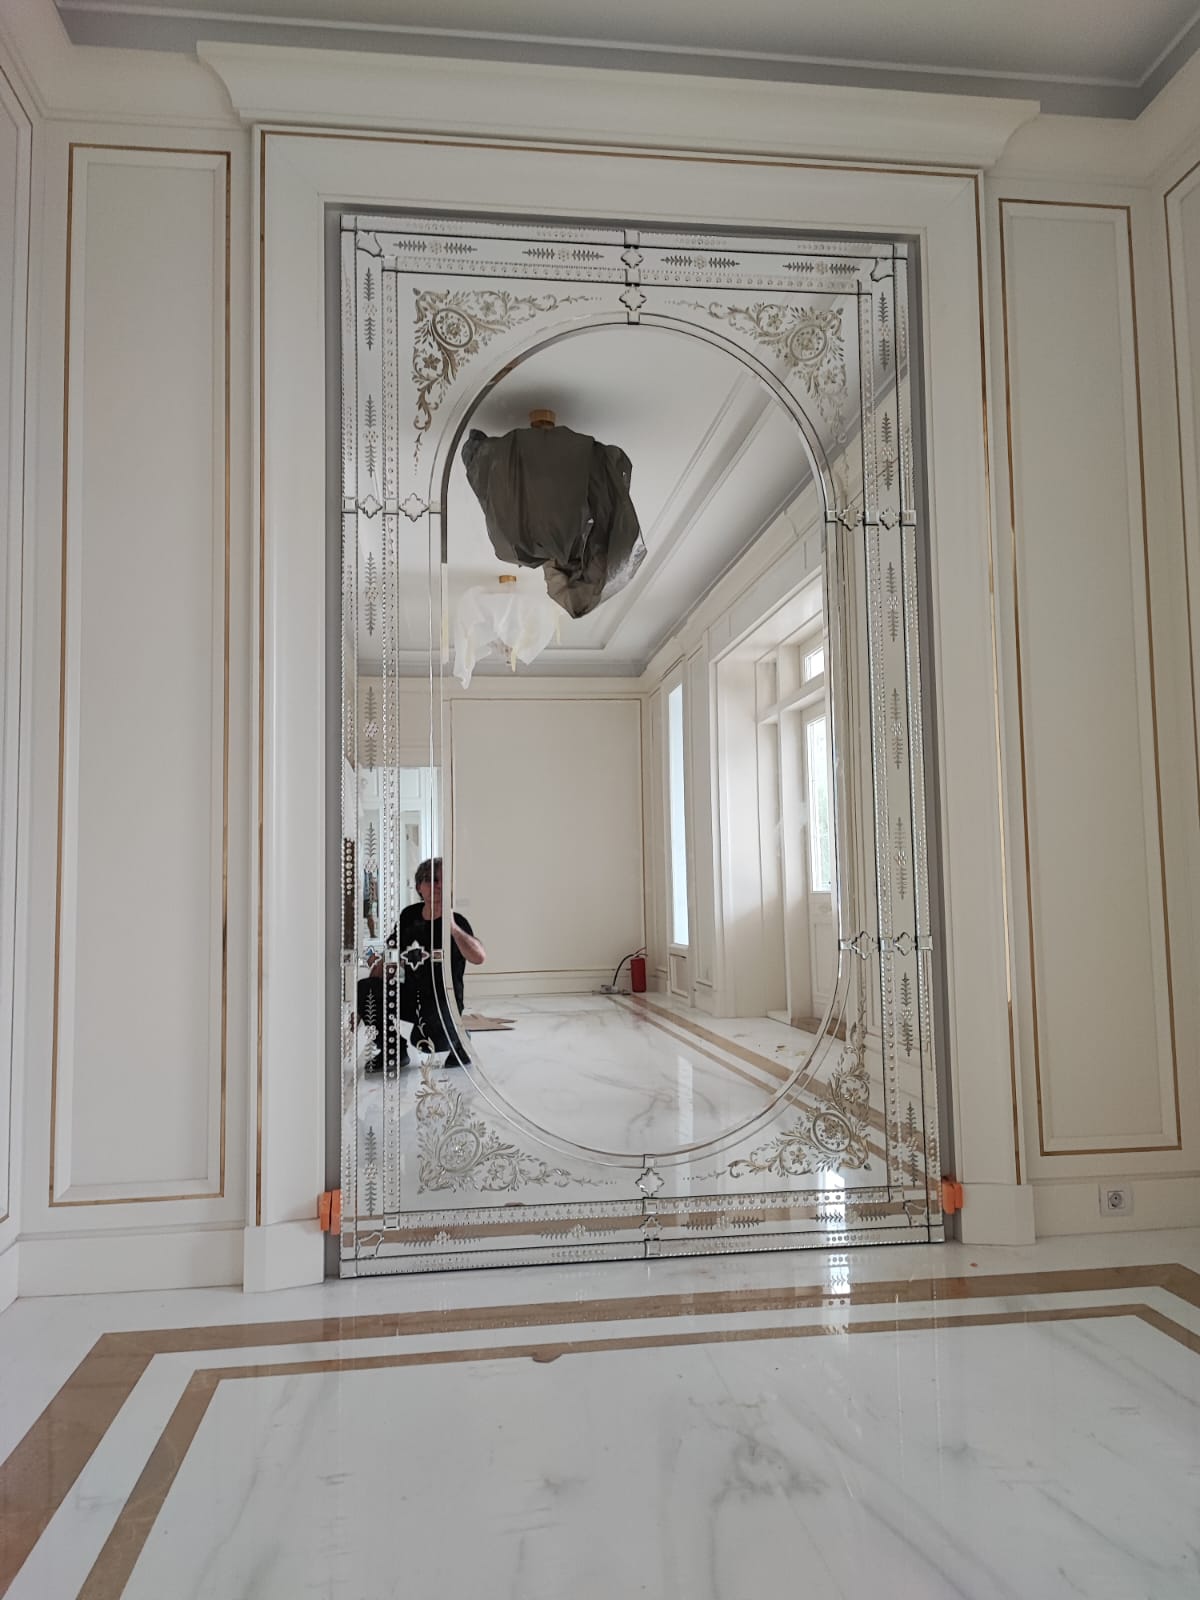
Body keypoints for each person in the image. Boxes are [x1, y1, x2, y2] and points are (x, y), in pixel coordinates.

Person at [358, 858, 485, 1072]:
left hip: (442, 1001)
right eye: (430, 880)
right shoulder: (409, 916)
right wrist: (364, 1005)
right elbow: (390, 956)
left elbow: (479, 957)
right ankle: (392, 1050)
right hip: (411, 996)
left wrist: (452, 927)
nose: (437, 886)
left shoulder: (457, 921)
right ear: (419, 886)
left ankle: (459, 1040)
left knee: (428, 1042)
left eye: (442, 880)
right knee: (366, 988)